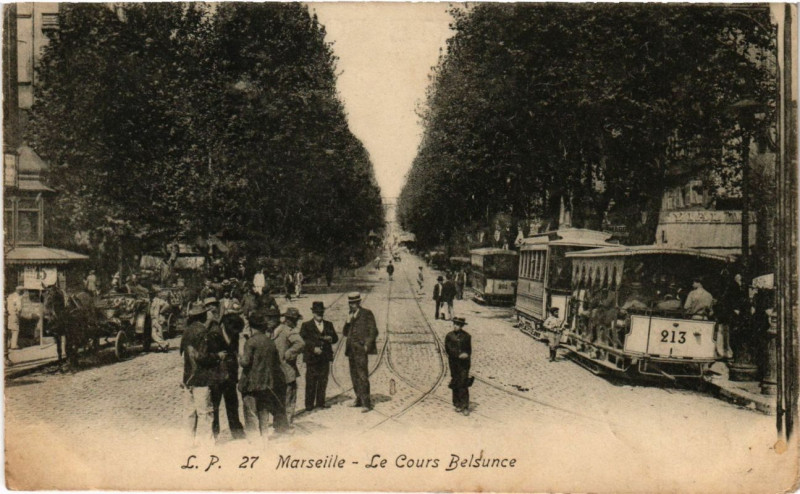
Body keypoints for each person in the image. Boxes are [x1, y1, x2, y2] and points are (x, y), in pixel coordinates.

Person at [180, 302, 228, 447]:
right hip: (202, 378)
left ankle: (188, 441)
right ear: (202, 316)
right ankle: (208, 443)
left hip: (188, 377)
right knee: (205, 412)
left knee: (189, 412)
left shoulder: (187, 331)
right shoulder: (202, 332)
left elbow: (183, 354)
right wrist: (218, 356)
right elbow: (202, 357)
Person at [239, 308, 288, 445]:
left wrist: (239, 356)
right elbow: (276, 362)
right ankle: (264, 436)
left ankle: (254, 439)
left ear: (251, 326)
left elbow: (245, 362)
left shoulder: (251, 342)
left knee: (251, 412)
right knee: (263, 410)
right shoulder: (269, 341)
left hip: (251, 383)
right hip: (266, 382)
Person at [210, 303, 246, 441]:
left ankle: (237, 431)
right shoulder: (214, 334)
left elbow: (235, 352)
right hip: (217, 377)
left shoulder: (234, 333)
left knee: (232, 404)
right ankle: (214, 433)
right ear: (225, 325)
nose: (236, 333)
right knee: (215, 406)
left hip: (230, 376)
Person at [299, 301, 339, 411]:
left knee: (323, 379)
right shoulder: (306, 325)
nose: (319, 314)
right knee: (311, 380)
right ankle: (309, 404)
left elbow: (335, 338)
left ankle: (321, 402)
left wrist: (331, 338)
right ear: (313, 313)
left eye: (321, 312)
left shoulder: (328, 324)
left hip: (325, 357)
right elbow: (302, 341)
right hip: (312, 358)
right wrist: (313, 348)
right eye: (317, 312)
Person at [343, 292, 378, 412]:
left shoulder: (366, 314)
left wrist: (367, 344)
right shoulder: (350, 315)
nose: (351, 305)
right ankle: (358, 399)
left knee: (362, 375)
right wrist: (347, 322)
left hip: (361, 349)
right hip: (351, 350)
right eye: (350, 303)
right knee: (354, 375)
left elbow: (373, 331)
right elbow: (344, 333)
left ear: (359, 302)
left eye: (353, 303)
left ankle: (366, 403)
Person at [273, 307, 305, 425]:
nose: (296, 323)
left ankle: (279, 424)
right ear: (292, 320)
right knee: (289, 400)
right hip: (287, 370)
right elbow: (301, 343)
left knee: (278, 399)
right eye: (295, 320)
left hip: (276, 370)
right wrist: (290, 353)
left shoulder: (277, 329)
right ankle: (287, 424)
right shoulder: (290, 331)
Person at [445, 317, 472, 416]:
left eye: (457, 325)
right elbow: (448, 349)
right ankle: (457, 403)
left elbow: (469, 350)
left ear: (461, 326)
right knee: (455, 381)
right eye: (454, 324)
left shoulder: (467, 336)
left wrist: (466, 355)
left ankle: (465, 406)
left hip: (464, 364)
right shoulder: (449, 336)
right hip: (454, 363)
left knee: (463, 382)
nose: (455, 326)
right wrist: (457, 355)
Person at [6, 286, 24, 350]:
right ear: (20, 291)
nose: (23, 293)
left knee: (9, 330)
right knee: (15, 330)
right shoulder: (18, 297)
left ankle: (7, 344)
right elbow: (19, 308)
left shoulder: (10, 296)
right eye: (22, 291)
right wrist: (19, 313)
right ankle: (13, 345)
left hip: (7, 314)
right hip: (14, 314)